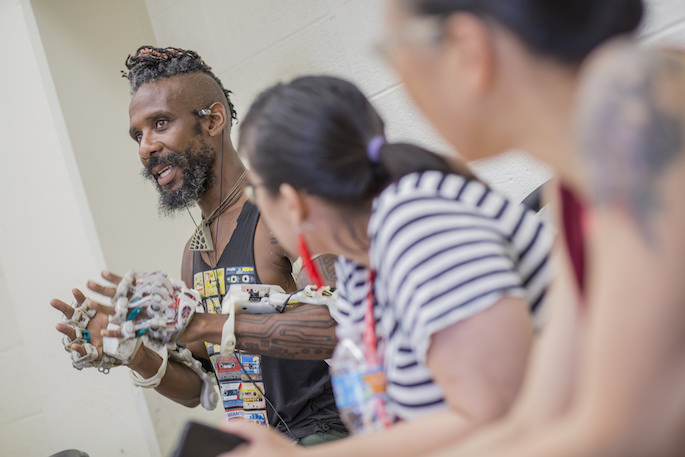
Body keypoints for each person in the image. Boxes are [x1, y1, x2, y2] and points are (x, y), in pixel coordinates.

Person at [376, 0, 685, 455]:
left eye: (393, 51)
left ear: (467, 48)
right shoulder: (569, 185)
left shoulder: (637, 90)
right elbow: (540, 417)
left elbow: (626, 434)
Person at [212, 74, 553, 457]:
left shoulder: (418, 224)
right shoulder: (362, 265)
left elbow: (497, 417)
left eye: (255, 190)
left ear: (291, 201)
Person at [50, 46, 347, 445]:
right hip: (257, 446)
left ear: (214, 120)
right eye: (138, 134)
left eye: (160, 123)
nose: (146, 147)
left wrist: (200, 323)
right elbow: (201, 386)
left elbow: (349, 321)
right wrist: (130, 351)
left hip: (331, 436)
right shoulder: (194, 252)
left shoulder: (283, 209)